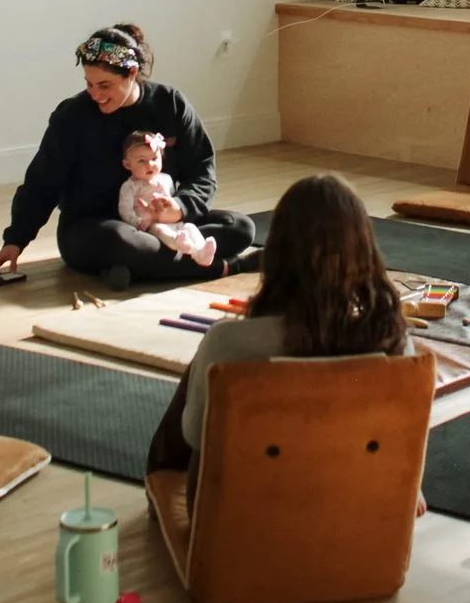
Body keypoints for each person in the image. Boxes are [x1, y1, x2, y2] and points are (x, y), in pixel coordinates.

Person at [0, 24, 257, 290]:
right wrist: (15, 240)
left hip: (164, 225)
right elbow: (42, 183)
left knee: (240, 227)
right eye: (89, 84)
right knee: (119, 241)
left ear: (132, 73)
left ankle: (133, 268)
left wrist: (181, 207)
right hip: (96, 228)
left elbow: (202, 169)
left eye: (105, 85)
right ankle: (225, 267)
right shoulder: (72, 116)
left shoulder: (170, 103)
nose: (96, 95)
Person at [172, 173, 407, 451]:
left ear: (273, 253)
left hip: (253, 492)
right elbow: (399, 442)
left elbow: (195, 434)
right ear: (364, 254)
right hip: (359, 491)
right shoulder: (390, 337)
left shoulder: (229, 340)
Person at [119, 131, 216, 269]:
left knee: (190, 227)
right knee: (161, 230)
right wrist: (138, 222)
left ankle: (201, 253)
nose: (150, 165)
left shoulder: (166, 179)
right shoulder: (130, 186)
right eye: (141, 161)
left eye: (154, 158)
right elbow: (125, 209)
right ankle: (178, 244)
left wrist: (173, 211)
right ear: (127, 165)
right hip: (149, 224)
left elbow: (172, 200)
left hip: (171, 220)